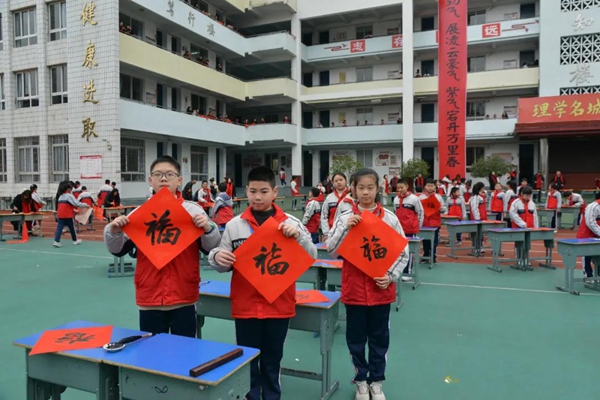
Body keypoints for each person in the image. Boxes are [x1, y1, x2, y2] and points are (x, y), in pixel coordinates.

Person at [209, 166, 316, 400]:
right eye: (253, 191)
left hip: (279, 305)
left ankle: (272, 396)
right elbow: (221, 260)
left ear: (275, 192)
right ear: (246, 191)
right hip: (245, 305)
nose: (258, 197)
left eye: (264, 191)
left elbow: (312, 256)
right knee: (248, 360)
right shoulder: (235, 224)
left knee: (272, 360)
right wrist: (217, 257)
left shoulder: (291, 222)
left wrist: (298, 238)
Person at [104, 155, 220, 336]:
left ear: (179, 180)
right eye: (158, 174)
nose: (164, 179)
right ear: (150, 180)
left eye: (169, 174)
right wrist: (114, 232)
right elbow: (118, 250)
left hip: (184, 295)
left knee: (185, 349)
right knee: (152, 350)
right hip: (150, 296)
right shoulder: (139, 214)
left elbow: (210, 247)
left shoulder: (193, 211)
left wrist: (208, 229)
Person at [326, 168, 408, 400]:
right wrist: (346, 228)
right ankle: (361, 381)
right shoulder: (344, 217)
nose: (365, 192)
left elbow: (403, 252)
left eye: (370, 187)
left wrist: (390, 275)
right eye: (360, 187)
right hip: (354, 291)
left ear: (378, 188)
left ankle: (377, 382)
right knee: (356, 340)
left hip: (381, 291)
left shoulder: (389, 218)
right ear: (352, 189)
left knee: (380, 339)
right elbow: (331, 251)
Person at [394, 179, 423, 281]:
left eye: (402, 187)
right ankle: (399, 271)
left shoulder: (414, 199)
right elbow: (395, 213)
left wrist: (418, 226)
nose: (400, 190)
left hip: (410, 229)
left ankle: (408, 272)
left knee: (409, 252)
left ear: (407, 186)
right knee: (399, 252)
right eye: (398, 188)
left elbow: (420, 212)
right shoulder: (396, 199)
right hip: (399, 230)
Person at [419, 179, 447, 264]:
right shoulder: (421, 197)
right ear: (425, 187)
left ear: (435, 187)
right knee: (425, 241)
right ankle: (425, 256)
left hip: (435, 223)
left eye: (432, 186)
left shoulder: (438, 197)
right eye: (428, 186)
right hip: (424, 222)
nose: (430, 187)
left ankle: (433, 257)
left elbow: (444, 209)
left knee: (434, 241)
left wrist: (441, 209)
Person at [54, 182, 89, 247]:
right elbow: (76, 203)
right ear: (68, 189)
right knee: (72, 228)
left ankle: (56, 241)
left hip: (60, 214)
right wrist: (85, 205)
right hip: (67, 215)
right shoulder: (69, 196)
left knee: (59, 228)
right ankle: (75, 240)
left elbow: (64, 205)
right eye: (70, 188)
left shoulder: (60, 196)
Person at [576, 193, 600, 278]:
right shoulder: (593, 206)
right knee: (587, 256)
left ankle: (598, 275)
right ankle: (588, 276)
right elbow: (590, 222)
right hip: (586, 235)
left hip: (597, 235)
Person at [320, 173, 350, 241]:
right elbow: (324, 216)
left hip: (350, 233)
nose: (338, 182)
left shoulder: (352, 196)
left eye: (341, 180)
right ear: (333, 183)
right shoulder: (329, 198)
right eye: (336, 181)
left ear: (346, 181)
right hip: (333, 234)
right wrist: (326, 233)